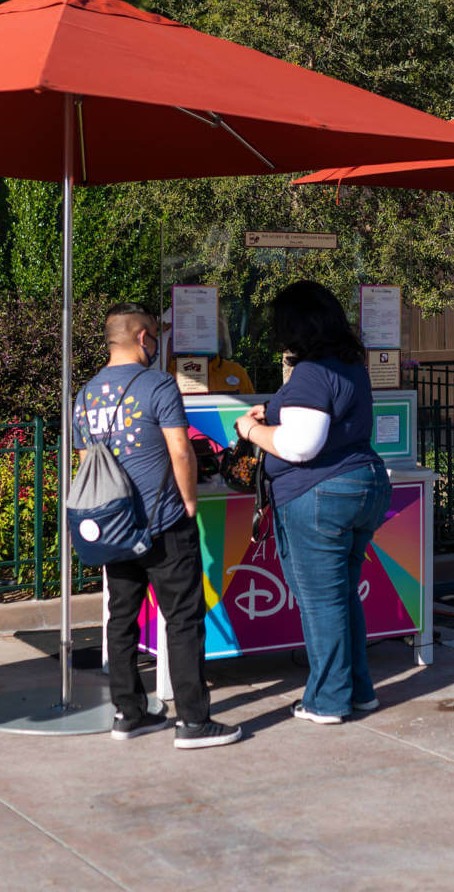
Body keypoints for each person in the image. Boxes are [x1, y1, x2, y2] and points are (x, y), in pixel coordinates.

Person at [74, 304, 241, 749]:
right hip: (163, 522)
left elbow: (86, 462)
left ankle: (129, 713)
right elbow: (181, 451)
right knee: (183, 619)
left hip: (113, 526)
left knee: (121, 618)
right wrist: (189, 501)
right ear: (145, 338)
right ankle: (193, 722)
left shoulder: (86, 394)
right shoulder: (158, 385)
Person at [234, 281, 392, 725]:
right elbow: (318, 417)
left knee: (321, 602)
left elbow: (301, 445)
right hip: (364, 485)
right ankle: (359, 691)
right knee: (342, 596)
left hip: (320, 493)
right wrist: (275, 409)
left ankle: (327, 700)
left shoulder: (310, 372)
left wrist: (249, 431)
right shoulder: (348, 365)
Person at [168, 312, 254, 395]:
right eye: (202, 331)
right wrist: (166, 338)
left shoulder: (236, 372)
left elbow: (252, 406)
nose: (208, 337)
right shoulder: (173, 370)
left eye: (215, 331)